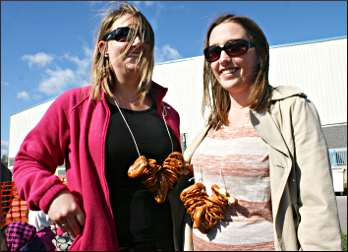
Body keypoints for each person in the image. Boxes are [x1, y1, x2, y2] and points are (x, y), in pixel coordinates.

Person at [13, 3, 190, 251]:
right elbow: (26, 162)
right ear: (103, 48)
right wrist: (52, 195)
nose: (137, 42)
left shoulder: (169, 114)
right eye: (124, 35)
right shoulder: (75, 106)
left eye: (145, 36)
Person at [182, 14, 342, 251]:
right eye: (214, 52)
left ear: (260, 54)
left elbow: (318, 205)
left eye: (235, 47)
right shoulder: (212, 122)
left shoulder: (292, 109)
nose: (224, 58)